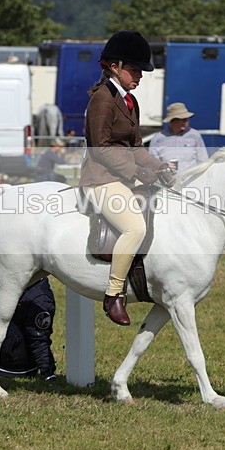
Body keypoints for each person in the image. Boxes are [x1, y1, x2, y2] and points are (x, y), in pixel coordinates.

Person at [79, 30, 174, 326]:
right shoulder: (102, 100)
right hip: (99, 179)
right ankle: (113, 294)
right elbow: (101, 148)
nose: (140, 76)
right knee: (135, 227)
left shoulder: (130, 101)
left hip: (120, 178)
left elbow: (135, 148)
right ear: (115, 66)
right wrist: (139, 173)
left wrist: (159, 167)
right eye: (135, 70)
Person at [148, 102, 208, 171]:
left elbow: (203, 160)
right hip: (167, 180)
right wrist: (163, 166)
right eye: (183, 119)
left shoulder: (195, 135)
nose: (186, 121)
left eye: (187, 119)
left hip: (191, 179)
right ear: (172, 121)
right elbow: (152, 164)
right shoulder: (158, 138)